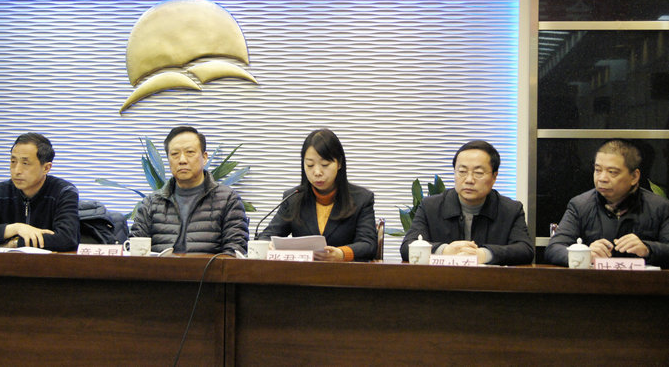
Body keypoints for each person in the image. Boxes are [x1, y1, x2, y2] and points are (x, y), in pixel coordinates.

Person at [400, 140, 533, 265]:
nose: (469, 180)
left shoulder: (511, 210)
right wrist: (444, 251)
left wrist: (484, 254)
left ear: (494, 176)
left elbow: (525, 250)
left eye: (478, 173)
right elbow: (407, 247)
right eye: (462, 172)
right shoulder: (430, 207)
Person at [545, 139, 669, 268]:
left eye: (612, 172)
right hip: (594, 280)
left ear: (634, 177)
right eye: (598, 170)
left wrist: (648, 249)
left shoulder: (659, 207)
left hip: (642, 280)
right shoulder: (580, 205)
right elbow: (554, 249)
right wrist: (585, 254)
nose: (602, 178)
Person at [257, 128, 377, 261]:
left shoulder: (361, 199)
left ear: (339, 163)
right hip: (302, 272)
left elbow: (368, 245)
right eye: (310, 165)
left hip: (344, 272)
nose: (317, 172)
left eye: (325, 165)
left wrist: (342, 254)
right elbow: (267, 236)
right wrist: (269, 246)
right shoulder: (293, 198)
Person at [130, 126, 249, 254]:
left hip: (209, 267)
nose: (182, 160)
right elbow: (134, 252)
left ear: (204, 157)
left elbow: (235, 252)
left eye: (190, 152)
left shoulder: (228, 200)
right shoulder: (151, 203)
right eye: (175, 154)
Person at [0, 133, 79, 251]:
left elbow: (67, 238)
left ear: (46, 168)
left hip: (50, 262)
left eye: (25, 163)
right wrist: (16, 228)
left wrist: (15, 243)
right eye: (13, 161)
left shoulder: (64, 192)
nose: (17, 171)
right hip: (5, 262)